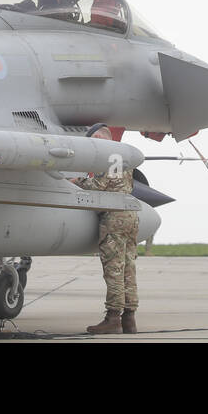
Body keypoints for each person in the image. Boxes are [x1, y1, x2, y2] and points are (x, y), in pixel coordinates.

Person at [72, 123, 139, 334]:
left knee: (114, 268)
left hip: (114, 216)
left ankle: (113, 319)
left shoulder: (109, 156)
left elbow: (98, 186)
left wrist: (77, 181)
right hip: (130, 214)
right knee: (128, 268)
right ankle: (129, 319)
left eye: (93, 141)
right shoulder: (124, 154)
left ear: (100, 137)